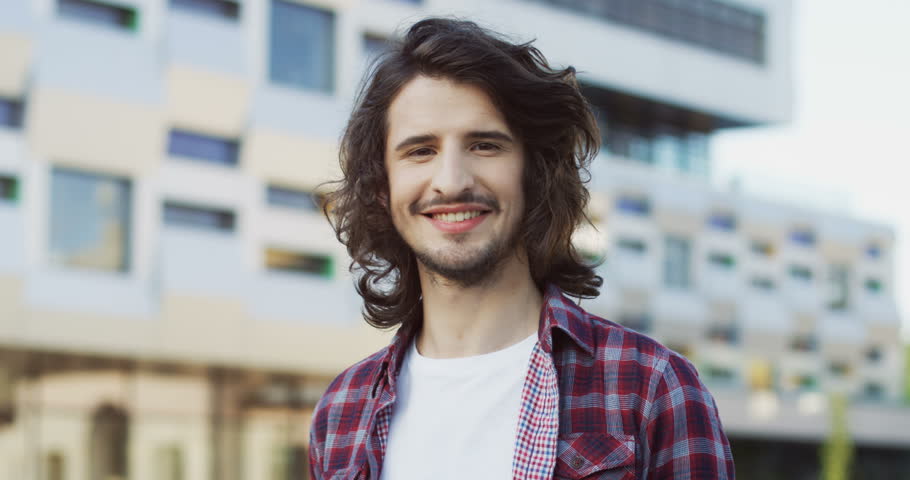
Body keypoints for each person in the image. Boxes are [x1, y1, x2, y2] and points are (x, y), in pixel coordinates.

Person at [310, 17, 734, 480]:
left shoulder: (652, 387)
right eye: (420, 151)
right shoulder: (341, 411)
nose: (451, 180)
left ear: (535, 173)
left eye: (485, 145)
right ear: (381, 188)